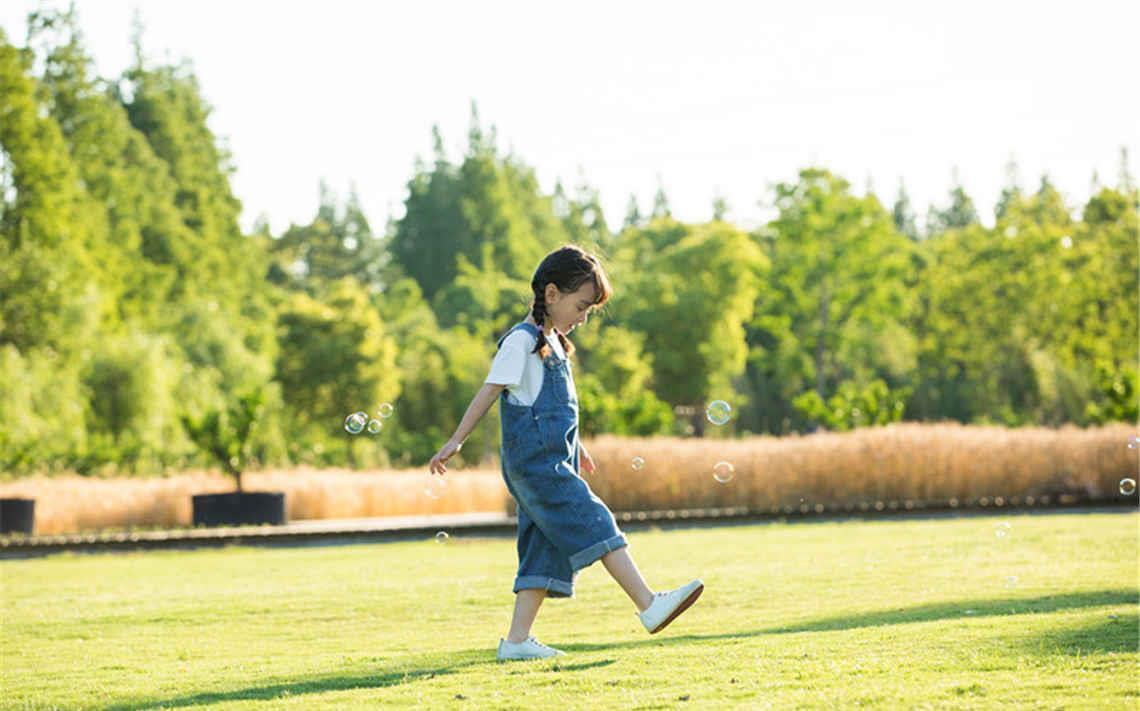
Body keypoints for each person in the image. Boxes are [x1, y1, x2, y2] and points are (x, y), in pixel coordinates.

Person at [429, 244, 703, 662]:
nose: (584, 317)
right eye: (581, 306)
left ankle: (517, 641)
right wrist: (456, 440)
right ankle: (648, 604)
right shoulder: (520, 342)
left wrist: (579, 447)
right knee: (595, 518)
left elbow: (551, 410)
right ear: (551, 294)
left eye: (590, 310)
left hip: (552, 460)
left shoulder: (554, 344)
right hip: (537, 466)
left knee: (540, 547)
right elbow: (491, 391)